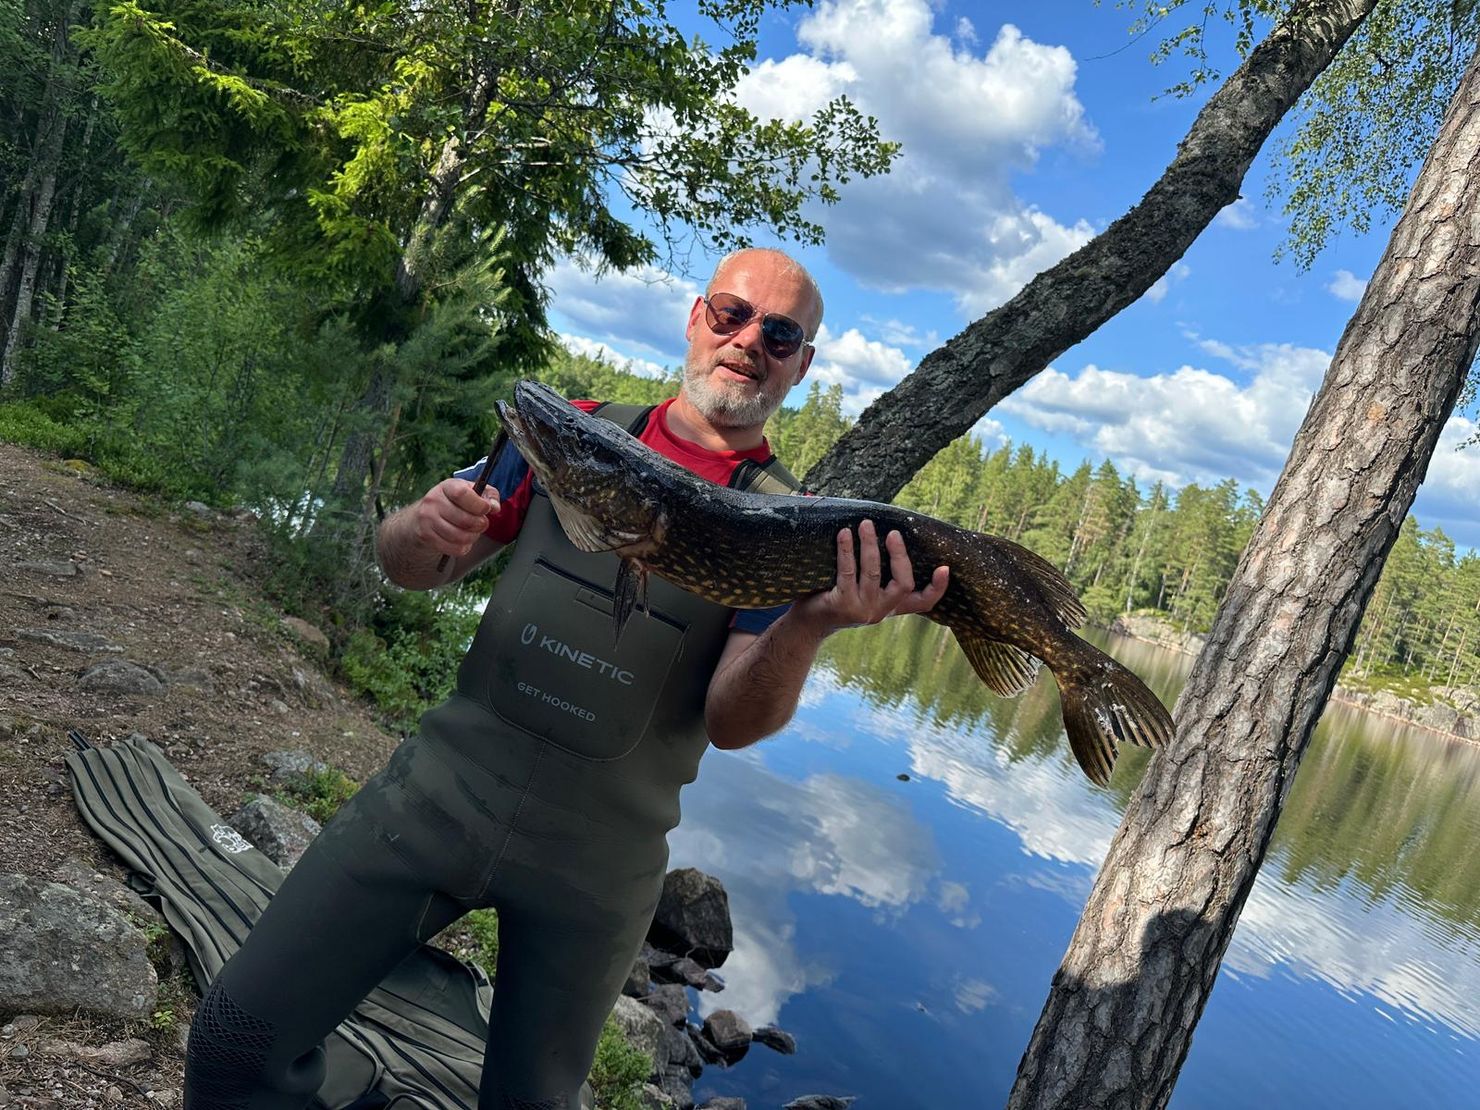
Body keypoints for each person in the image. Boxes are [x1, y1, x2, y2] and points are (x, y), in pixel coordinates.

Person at [183, 247, 949, 1109]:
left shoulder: (790, 526)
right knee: (234, 1039)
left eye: (778, 334)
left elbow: (733, 723)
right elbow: (413, 568)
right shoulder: (573, 433)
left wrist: (810, 624)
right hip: (437, 794)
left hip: (599, 868)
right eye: (732, 314)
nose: (748, 343)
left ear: (801, 365)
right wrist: (421, 524)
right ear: (696, 318)